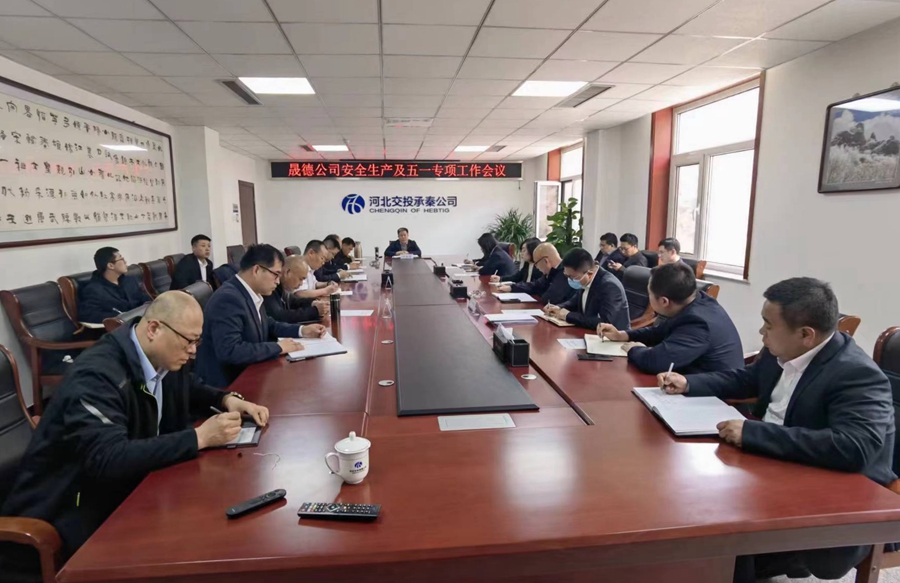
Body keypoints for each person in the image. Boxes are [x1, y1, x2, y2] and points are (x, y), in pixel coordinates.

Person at [658, 277, 895, 583]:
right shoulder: (781, 350)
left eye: (768, 325)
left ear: (806, 334)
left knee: (721, 528)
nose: (761, 332)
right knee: (685, 495)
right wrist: (689, 383)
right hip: (772, 461)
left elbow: (854, 447)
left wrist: (753, 434)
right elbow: (748, 379)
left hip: (828, 486)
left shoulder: (856, 374)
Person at [1, 291, 270, 559]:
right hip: (71, 512)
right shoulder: (96, 375)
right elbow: (108, 457)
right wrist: (199, 437)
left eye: (196, 341)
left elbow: (188, 387)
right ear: (153, 329)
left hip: (134, 488)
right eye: (188, 341)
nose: (193, 351)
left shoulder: (162, 356)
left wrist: (226, 399)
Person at [194, 244, 327, 388]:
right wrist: (278, 347)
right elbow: (231, 351)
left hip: (250, 372)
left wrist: (302, 330)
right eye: (276, 274)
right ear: (257, 270)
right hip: (229, 385)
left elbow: (268, 324)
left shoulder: (250, 292)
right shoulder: (228, 299)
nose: (278, 281)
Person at [599, 262, 742, 374]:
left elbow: (655, 362)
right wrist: (623, 335)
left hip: (714, 396)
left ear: (664, 301)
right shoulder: (695, 300)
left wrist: (634, 349)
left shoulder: (697, 323)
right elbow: (659, 331)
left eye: (649, 294)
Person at [545, 248, 629, 330]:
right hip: (587, 331)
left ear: (589, 274)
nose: (570, 280)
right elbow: (574, 301)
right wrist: (559, 307)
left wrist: (568, 315)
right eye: (567, 276)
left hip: (610, 336)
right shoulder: (584, 280)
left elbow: (605, 322)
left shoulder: (609, 286)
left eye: (572, 277)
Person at [78, 247, 152, 323]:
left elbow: (144, 298)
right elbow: (88, 315)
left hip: (142, 321)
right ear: (111, 265)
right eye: (121, 259)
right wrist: (118, 317)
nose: (125, 262)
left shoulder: (130, 280)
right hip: (119, 327)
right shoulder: (94, 290)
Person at [496, 242, 576, 306]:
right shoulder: (551, 272)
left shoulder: (565, 273)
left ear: (545, 261)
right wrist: (512, 287)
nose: (536, 267)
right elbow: (536, 285)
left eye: (536, 263)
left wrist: (540, 291)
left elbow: (549, 298)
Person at [263, 255, 329, 324]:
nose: (301, 284)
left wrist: (312, 303)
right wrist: (314, 311)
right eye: (300, 279)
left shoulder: (283, 287)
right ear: (287, 272)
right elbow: (279, 316)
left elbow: (293, 302)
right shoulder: (270, 288)